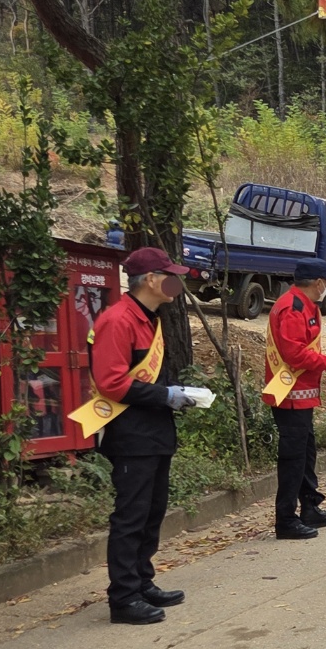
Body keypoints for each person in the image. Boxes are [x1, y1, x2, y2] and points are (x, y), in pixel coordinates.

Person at [75, 247, 195, 624]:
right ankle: (123, 597)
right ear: (151, 280)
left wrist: (177, 394)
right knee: (131, 516)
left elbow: (150, 376)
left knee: (152, 512)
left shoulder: (150, 318)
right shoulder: (118, 320)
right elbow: (111, 382)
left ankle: (142, 581)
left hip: (155, 430)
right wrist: (165, 395)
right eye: (170, 275)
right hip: (131, 434)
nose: (177, 283)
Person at [263, 258, 326, 540]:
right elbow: (295, 354)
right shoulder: (292, 307)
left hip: (301, 394)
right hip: (288, 394)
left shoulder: (306, 305)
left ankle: (310, 506)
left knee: (305, 453)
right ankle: (285, 519)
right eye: (325, 283)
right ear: (318, 283)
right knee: (292, 458)